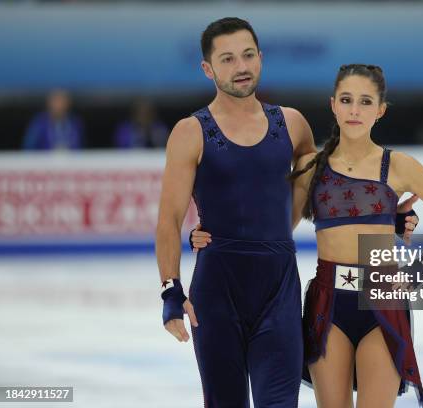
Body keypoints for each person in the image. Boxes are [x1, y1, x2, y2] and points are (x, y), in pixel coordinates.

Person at [192, 64, 423, 407]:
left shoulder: (399, 166)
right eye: (347, 100)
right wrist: (209, 233)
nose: (355, 110)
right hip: (328, 303)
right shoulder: (311, 167)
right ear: (333, 104)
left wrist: (418, 269)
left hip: (381, 301)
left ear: (380, 110)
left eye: (366, 102)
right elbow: (273, 229)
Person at [155, 17, 317, 407]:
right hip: (216, 291)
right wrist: (170, 290)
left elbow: (324, 182)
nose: (241, 67)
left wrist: (389, 217)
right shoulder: (190, 132)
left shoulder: (292, 125)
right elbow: (169, 218)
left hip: (278, 287)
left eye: (247, 56)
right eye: (227, 59)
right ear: (208, 69)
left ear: (260, 58)